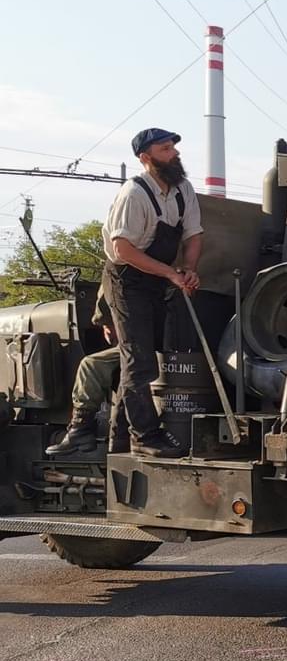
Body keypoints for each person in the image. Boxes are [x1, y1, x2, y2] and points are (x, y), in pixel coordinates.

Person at [102, 127, 203, 458]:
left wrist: (189, 269)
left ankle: (118, 441)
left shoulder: (183, 189)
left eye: (173, 147)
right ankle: (145, 436)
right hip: (126, 280)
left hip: (157, 279)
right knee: (139, 360)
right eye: (165, 149)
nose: (174, 153)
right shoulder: (133, 194)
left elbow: (193, 235)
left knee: (143, 358)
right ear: (145, 158)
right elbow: (123, 250)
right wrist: (171, 273)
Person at [45, 291, 120, 455]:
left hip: (148, 343)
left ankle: (80, 428)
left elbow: (108, 291)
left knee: (91, 364)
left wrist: (105, 322)